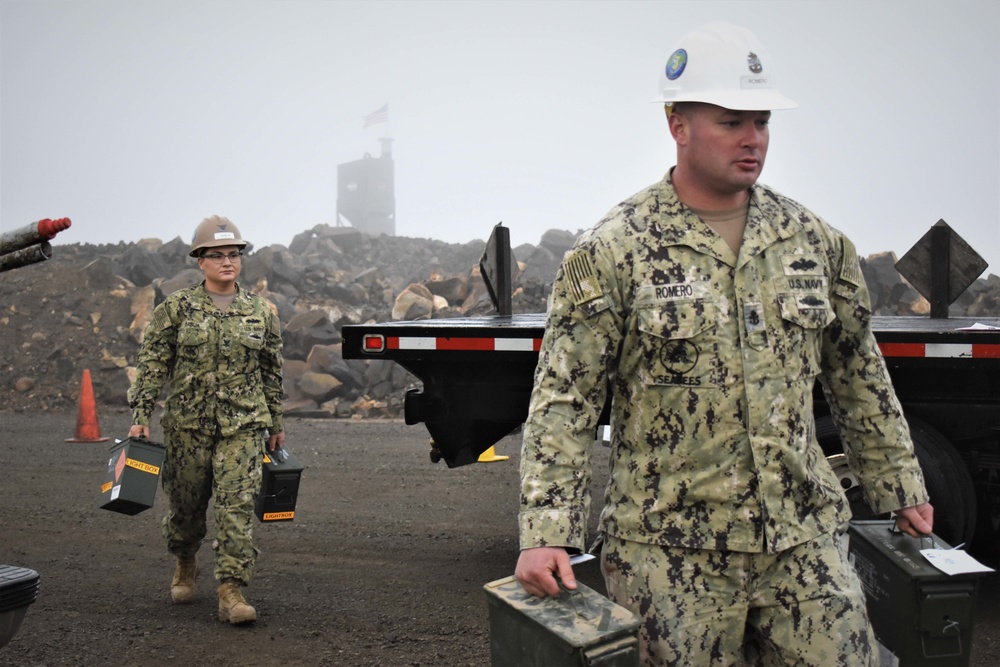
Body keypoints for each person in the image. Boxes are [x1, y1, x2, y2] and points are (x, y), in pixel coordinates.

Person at [515, 22, 933, 666]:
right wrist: (546, 532)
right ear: (677, 124)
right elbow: (564, 399)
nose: (753, 139)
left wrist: (900, 485)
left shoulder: (815, 242)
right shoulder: (615, 251)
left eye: (762, 121)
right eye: (732, 120)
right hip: (671, 554)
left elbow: (858, 376)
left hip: (804, 538)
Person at [127, 215, 285, 626]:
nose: (228, 262)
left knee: (236, 507)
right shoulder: (175, 309)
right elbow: (152, 365)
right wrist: (141, 415)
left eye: (234, 254)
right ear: (200, 260)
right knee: (186, 506)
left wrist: (276, 422)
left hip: (243, 426)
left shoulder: (261, 312)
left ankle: (231, 592)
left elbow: (271, 370)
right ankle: (184, 560)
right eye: (217, 255)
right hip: (188, 427)